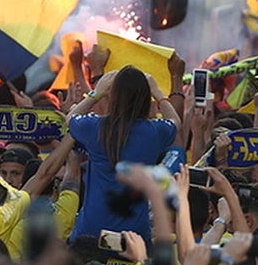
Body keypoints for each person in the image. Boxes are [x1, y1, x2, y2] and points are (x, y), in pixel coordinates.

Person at [68, 66, 180, 243]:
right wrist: (158, 94)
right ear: (146, 98)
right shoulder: (154, 131)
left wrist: (96, 94)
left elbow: (70, 118)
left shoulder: (95, 127)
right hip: (135, 233)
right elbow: (175, 122)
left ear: (112, 97)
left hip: (92, 229)